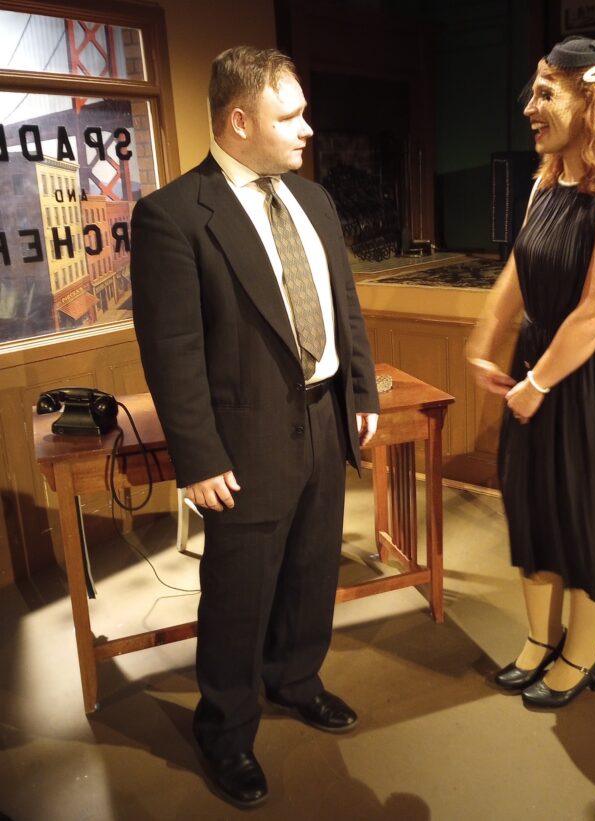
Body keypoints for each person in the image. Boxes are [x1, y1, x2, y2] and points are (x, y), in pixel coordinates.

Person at [130, 46, 379, 808]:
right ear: (239, 121)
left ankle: (296, 677)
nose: (308, 129)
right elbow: (171, 351)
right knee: (238, 592)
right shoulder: (173, 216)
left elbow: (345, 306)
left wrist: (361, 387)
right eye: (290, 115)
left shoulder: (314, 202)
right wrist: (197, 455)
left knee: (311, 569)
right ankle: (227, 728)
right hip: (243, 441)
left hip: (323, 419)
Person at [468, 36, 595, 709]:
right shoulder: (546, 181)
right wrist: (485, 340)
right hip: (537, 361)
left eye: (544, 92)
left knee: (588, 514)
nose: (530, 106)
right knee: (535, 504)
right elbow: (518, 273)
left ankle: (582, 654)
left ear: (592, 99)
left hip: (586, 378)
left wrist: (535, 383)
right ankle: (539, 638)